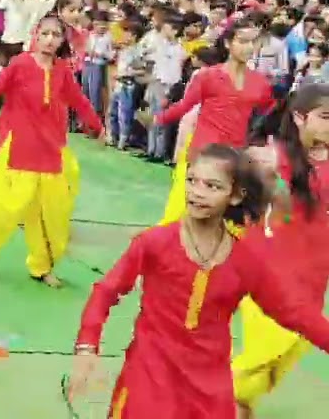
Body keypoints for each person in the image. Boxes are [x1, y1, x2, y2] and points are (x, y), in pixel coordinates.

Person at [67, 145, 329, 418]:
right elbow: (106, 290)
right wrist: (87, 346)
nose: (197, 192)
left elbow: (293, 312)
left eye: (212, 186)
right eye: (192, 180)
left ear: (236, 196)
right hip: (149, 377)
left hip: (210, 390)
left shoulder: (244, 260)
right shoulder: (155, 243)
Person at [0, 15, 104, 287]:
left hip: (52, 151)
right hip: (19, 149)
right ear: (36, 35)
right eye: (46, 33)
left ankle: (42, 266)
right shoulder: (20, 65)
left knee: (52, 215)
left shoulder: (62, 70)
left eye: (56, 35)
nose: (50, 39)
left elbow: (80, 102)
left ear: (62, 40)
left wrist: (98, 128)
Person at [231, 85, 329, 418]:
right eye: (325, 117)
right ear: (299, 118)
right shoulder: (276, 155)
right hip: (270, 274)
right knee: (266, 350)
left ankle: (235, 404)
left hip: (312, 280)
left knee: (281, 358)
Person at [154, 19, 275, 225]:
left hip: (234, 155)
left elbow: (270, 113)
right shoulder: (208, 76)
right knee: (181, 213)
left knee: (223, 216)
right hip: (203, 151)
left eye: (253, 42)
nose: (249, 47)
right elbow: (184, 106)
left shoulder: (260, 83)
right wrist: (158, 118)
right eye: (243, 41)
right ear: (228, 43)